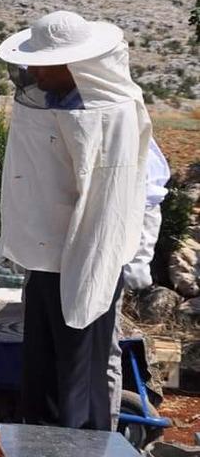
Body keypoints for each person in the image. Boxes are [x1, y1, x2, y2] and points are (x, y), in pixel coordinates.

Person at [0, 11, 151, 430]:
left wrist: (88, 275)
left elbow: (106, 205)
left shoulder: (111, 113)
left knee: (79, 379)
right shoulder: (52, 101)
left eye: (44, 63)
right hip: (46, 260)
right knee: (42, 373)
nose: (33, 72)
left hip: (88, 264)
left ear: (74, 64)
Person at [108, 137, 170, 429]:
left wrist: (137, 263)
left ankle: (103, 427)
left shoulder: (137, 148)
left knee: (104, 350)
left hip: (108, 267)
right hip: (71, 262)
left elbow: (150, 203)